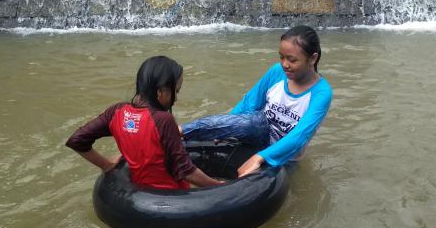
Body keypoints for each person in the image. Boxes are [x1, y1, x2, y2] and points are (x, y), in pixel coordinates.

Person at [182, 25, 332, 177]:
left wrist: (259, 158)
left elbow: (299, 136)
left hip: (285, 154)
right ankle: (181, 131)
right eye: (281, 57)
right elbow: (250, 103)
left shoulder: (321, 93)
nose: (285, 64)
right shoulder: (277, 71)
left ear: (312, 58)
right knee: (254, 120)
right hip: (259, 135)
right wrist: (224, 129)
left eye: (292, 60)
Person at [66, 56, 224, 189]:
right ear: (160, 91)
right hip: (172, 198)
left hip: (139, 194)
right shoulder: (163, 120)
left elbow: (76, 140)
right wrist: (217, 186)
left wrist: (106, 165)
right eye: (175, 91)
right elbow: (185, 170)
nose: (176, 98)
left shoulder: (116, 112)